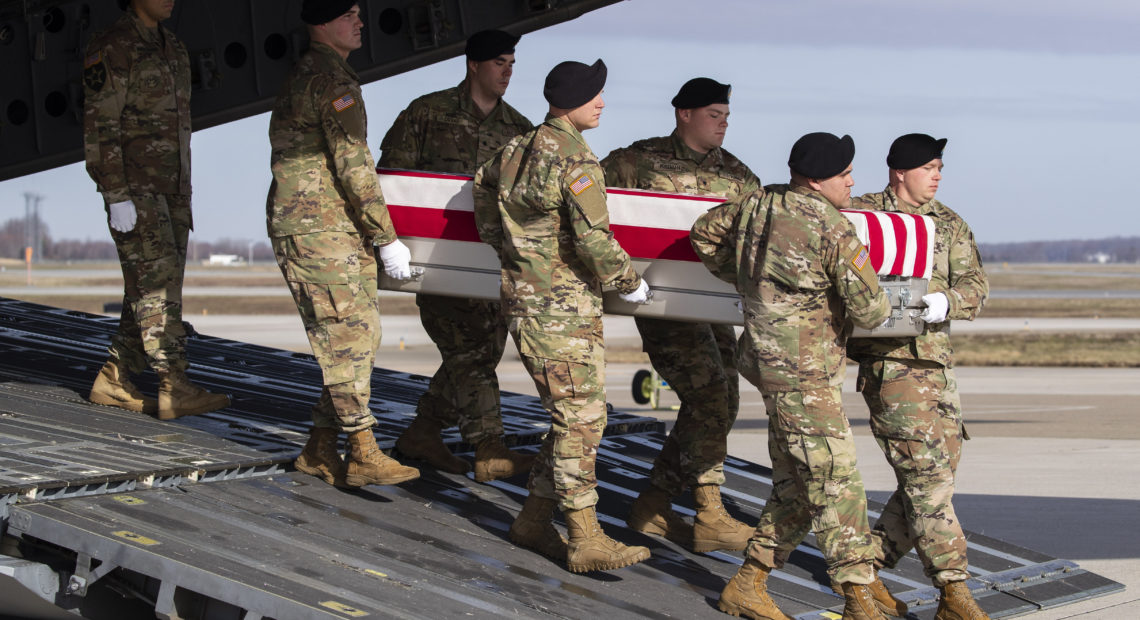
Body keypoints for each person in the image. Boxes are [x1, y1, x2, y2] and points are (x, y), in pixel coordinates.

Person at [690, 133, 894, 619]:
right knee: (836, 480)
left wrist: (746, 278)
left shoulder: (757, 203)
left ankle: (749, 583)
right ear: (819, 180)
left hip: (765, 362)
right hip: (805, 375)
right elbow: (871, 308)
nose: (851, 181)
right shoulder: (832, 228)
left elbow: (703, 233)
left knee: (798, 484)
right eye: (844, 173)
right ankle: (858, 598)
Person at [472, 59, 652, 573]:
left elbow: (481, 191)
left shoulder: (515, 147)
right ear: (574, 99)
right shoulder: (575, 159)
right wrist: (629, 281)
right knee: (581, 417)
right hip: (562, 307)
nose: (602, 102)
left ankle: (534, 517)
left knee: (570, 415)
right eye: (596, 94)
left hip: (526, 298)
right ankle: (585, 534)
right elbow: (595, 239)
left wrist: (510, 247)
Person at [600, 77, 759, 553]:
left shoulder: (739, 176)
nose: (723, 124)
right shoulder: (635, 161)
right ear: (684, 114)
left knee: (724, 400)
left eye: (727, 115)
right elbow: (590, 211)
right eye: (714, 115)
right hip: (663, 304)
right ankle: (698, 509)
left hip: (715, 308)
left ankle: (664, 502)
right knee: (709, 397)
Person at [267, 0, 419, 489]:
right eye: (348, 15)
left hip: (325, 225)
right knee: (346, 339)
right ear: (321, 24)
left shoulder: (310, 72)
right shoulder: (333, 81)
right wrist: (387, 236)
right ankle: (362, 449)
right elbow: (355, 163)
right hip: (319, 228)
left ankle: (318, 447)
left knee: (359, 336)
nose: (360, 23)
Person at [379, 29, 535, 482]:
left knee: (482, 351)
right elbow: (390, 182)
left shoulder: (519, 131)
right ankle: (490, 447)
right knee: (469, 351)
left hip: (490, 269)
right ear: (473, 65)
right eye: (499, 63)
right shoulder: (427, 113)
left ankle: (423, 433)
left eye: (511, 64)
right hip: (437, 262)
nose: (507, 72)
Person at [846, 134, 990, 620]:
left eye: (940, 167)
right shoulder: (861, 216)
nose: (938, 175)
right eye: (929, 167)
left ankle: (868, 567)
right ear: (899, 171)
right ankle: (954, 592)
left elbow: (977, 284)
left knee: (937, 479)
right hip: (890, 367)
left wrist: (947, 300)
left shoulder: (948, 223)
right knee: (926, 481)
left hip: (937, 368)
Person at [83, 0, 230, 421]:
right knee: (158, 288)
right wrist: (115, 194)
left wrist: (182, 192)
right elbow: (99, 126)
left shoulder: (174, 48)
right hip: (137, 191)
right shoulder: (113, 47)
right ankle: (173, 384)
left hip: (173, 192)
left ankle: (115, 376)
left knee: (152, 287)